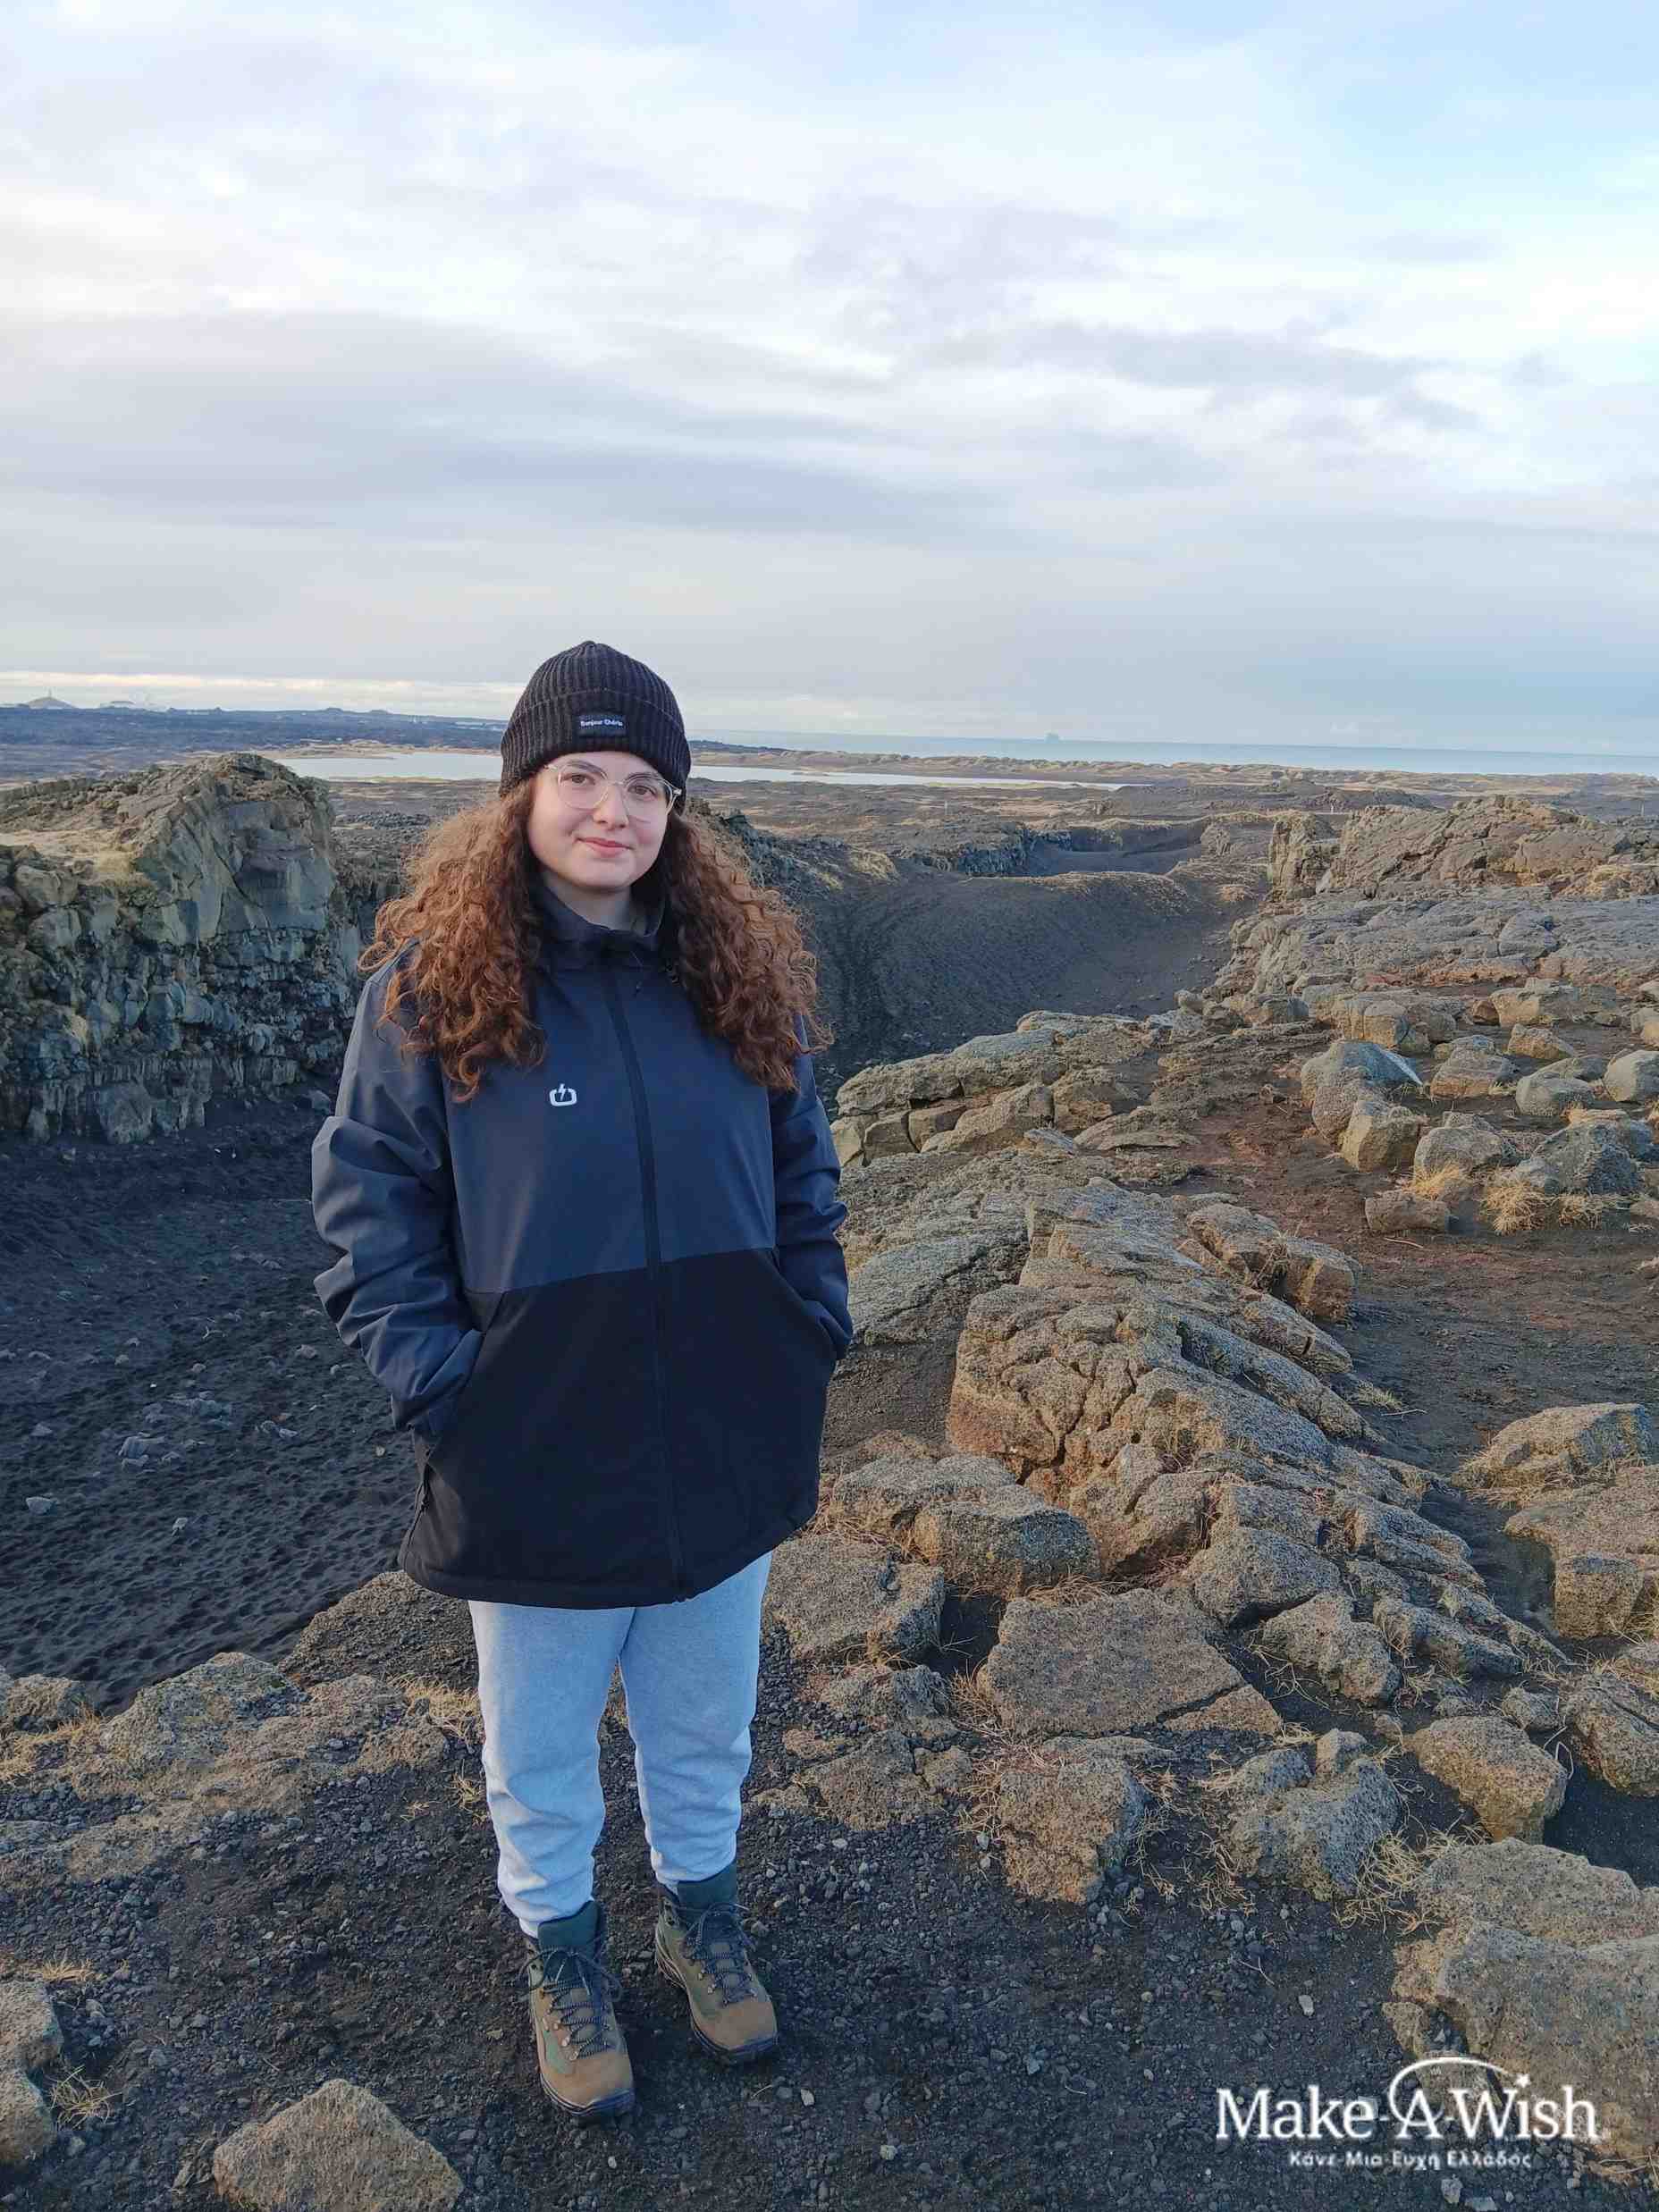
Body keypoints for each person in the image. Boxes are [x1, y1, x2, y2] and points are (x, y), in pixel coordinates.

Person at [310, 640, 853, 2124]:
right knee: (541, 1742)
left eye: (645, 786)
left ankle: (703, 1920)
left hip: (723, 1425)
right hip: (534, 1443)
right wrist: (454, 1391)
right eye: (580, 777)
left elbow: (803, 1172)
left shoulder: (734, 983)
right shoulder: (430, 994)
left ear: (677, 811)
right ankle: (562, 1954)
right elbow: (367, 1212)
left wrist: (806, 1327)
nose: (613, 810)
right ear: (522, 794)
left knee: (704, 1718)